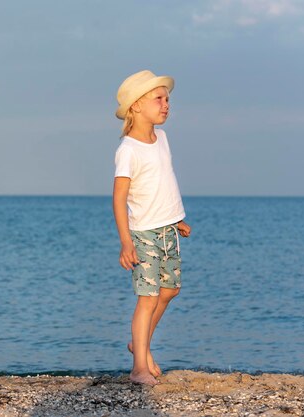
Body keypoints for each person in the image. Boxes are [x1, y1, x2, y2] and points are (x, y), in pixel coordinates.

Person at [112, 70, 191, 385]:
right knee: (148, 297)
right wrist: (126, 242)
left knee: (170, 290)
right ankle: (139, 367)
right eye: (158, 98)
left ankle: (139, 345)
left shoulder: (163, 139)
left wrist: (176, 220)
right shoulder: (128, 150)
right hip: (143, 234)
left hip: (167, 230)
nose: (166, 104)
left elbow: (163, 183)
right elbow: (119, 199)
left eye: (167, 98)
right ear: (136, 107)